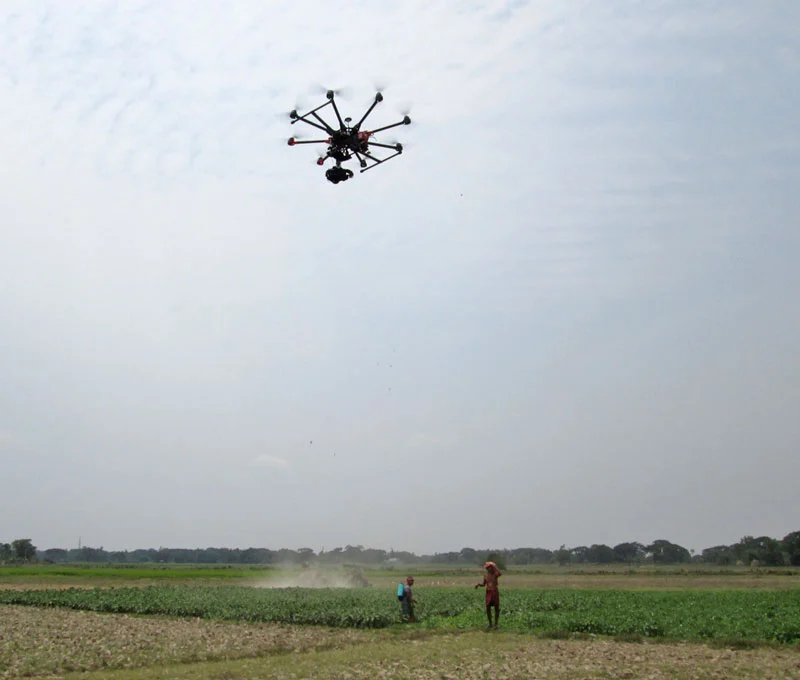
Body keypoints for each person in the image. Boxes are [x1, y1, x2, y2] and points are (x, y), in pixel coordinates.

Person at [475, 561, 502, 628]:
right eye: (487, 568)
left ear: (492, 568)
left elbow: (500, 573)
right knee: (488, 607)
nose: (488, 569)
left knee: (496, 608)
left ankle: (496, 624)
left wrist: (495, 566)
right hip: (488, 592)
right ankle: (490, 624)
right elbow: (484, 584)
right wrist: (478, 585)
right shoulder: (486, 575)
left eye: (490, 567)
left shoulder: (495, 574)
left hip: (495, 591)